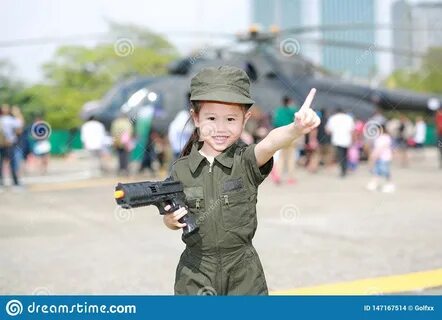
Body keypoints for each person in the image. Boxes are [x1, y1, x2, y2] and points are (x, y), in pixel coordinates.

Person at [163, 66, 320, 295]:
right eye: (211, 118)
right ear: (196, 117)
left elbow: (270, 143)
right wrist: (170, 220)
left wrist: (296, 129)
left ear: (245, 119)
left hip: (242, 271)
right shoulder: (181, 170)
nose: (220, 128)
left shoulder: (245, 160)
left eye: (230, 119)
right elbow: (170, 217)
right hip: (195, 271)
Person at [270, 96, 299, 184]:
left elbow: (275, 123)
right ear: (290, 101)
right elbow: (297, 122)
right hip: (291, 136)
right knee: (291, 157)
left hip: (281, 135)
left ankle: (278, 176)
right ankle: (291, 177)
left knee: (281, 157)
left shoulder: (278, 111)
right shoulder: (293, 111)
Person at [325, 108, 355, 177]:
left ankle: (343, 170)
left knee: (341, 156)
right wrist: (353, 140)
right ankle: (344, 169)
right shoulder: (348, 118)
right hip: (347, 140)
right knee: (345, 155)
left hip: (337, 140)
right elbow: (352, 130)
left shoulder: (332, 118)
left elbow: (328, 130)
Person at [0, 104, 23, 190]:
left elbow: (19, 128)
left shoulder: (10, 120)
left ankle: (14, 183)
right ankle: (13, 183)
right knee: (8, 165)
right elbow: (20, 126)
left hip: (8, 145)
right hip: (5, 144)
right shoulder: (8, 120)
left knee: (10, 165)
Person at [366, 124, 395, 193]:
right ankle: (374, 183)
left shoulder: (383, 138)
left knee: (384, 171)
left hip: (383, 157)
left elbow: (379, 149)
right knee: (377, 171)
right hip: (382, 157)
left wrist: (373, 157)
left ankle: (390, 184)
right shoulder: (384, 137)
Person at [168, 93, 194, 161]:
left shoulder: (184, 115)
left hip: (181, 150)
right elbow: (180, 129)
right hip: (181, 151)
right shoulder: (183, 115)